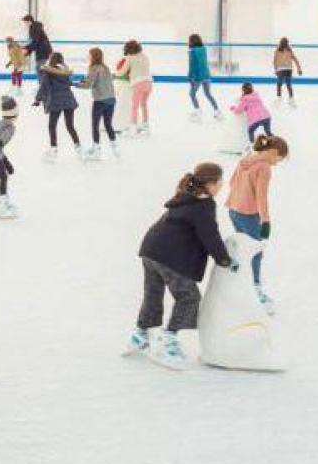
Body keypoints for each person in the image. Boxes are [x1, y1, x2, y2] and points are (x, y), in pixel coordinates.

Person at [125, 162, 235, 370]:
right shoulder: (204, 204)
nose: (221, 186)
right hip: (169, 256)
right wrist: (225, 260)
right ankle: (169, 341)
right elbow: (210, 236)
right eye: (220, 182)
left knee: (153, 294)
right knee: (189, 297)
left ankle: (140, 336)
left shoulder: (187, 195)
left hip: (151, 249)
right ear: (211, 184)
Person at [227, 135, 288, 315]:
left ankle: (240, 285)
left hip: (233, 210)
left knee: (243, 248)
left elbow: (231, 183)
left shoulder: (246, 159)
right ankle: (255, 290)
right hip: (248, 214)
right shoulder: (264, 168)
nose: (277, 163)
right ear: (273, 152)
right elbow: (261, 197)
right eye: (279, 159)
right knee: (255, 252)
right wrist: (266, 221)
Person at [37, 51, 83, 161]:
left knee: (52, 126)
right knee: (70, 126)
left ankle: (53, 150)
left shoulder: (48, 72)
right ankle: (79, 149)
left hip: (56, 101)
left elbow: (43, 86)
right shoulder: (65, 70)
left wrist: (37, 99)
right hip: (68, 100)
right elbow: (68, 83)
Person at [75, 47, 118, 159]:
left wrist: (75, 84)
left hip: (100, 100)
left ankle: (96, 150)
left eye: (89, 55)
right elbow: (99, 81)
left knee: (95, 124)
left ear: (93, 56)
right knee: (108, 124)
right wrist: (86, 81)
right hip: (111, 99)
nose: (88, 57)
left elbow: (89, 85)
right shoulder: (105, 67)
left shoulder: (93, 68)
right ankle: (115, 149)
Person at [116, 39, 154, 133]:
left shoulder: (130, 57)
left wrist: (116, 74)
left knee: (134, 106)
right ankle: (146, 125)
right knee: (144, 104)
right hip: (148, 83)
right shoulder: (145, 56)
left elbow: (122, 72)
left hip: (138, 84)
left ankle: (133, 126)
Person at [186, 33, 220, 120]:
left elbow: (192, 65)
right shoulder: (203, 49)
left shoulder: (192, 52)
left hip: (198, 76)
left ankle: (198, 111)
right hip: (207, 75)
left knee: (192, 94)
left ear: (192, 42)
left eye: (189, 41)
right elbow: (202, 63)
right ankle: (217, 110)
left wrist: (190, 76)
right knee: (208, 94)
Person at [21, 14, 51, 106]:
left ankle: (43, 92)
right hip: (43, 52)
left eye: (25, 22)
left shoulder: (34, 28)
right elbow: (35, 43)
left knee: (40, 71)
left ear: (29, 21)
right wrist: (27, 50)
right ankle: (43, 92)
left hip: (43, 52)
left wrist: (26, 49)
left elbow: (35, 42)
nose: (25, 24)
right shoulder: (36, 27)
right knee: (40, 71)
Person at [272, 37, 301, 108]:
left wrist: (275, 69)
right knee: (288, 85)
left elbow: (275, 61)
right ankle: (291, 99)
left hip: (281, 69)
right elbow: (295, 59)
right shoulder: (289, 50)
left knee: (279, 84)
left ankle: (279, 98)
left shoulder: (278, 50)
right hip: (289, 69)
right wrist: (299, 69)